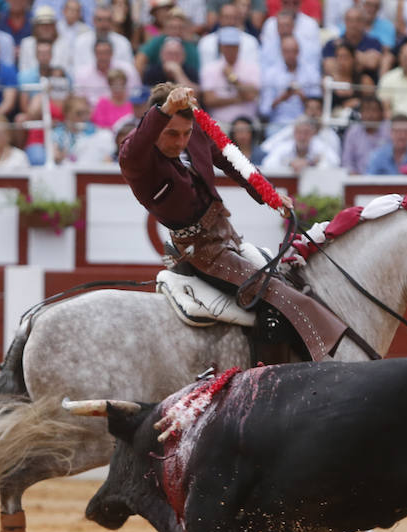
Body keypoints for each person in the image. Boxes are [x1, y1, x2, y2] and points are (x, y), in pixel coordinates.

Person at [117, 82, 347, 366]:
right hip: (201, 253)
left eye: (186, 133)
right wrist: (164, 110)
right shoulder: (136, 157)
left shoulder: (195, 131)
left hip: (228, 238)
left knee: (288, 283)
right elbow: (137, 143)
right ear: (156, 125)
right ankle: (279, 374)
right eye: (172, 134)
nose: (180, 142)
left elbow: (231, 159)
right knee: (276, 297)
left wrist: (270, 195)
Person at [259, 35, 322, 136]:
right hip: (278, 124)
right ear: (281, 52)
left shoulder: (310, 72)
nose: (290, 55)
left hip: (306, 124)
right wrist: (282, 98)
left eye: (293, 51)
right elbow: (264, 110)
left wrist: (302, 96)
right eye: (287, 51)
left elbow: (317, 104)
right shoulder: (271, 74)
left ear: (299, 51)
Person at [199, 26, 260, 124]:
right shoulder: (210, 69)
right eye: (227, 46)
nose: (230, 50)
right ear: (221, 47)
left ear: (239, 47)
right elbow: (209, 100)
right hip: (220, 123)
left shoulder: (252, 68)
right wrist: (239, 99)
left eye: (233, 46)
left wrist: (233, 78)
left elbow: (251, 95)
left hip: (248, 122)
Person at [74, 38, 139, 106]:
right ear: (94, 54)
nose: (103, 57)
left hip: (122, 108)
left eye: (106, 53)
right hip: (91, 110)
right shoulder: (82, 73)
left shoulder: (128, 70)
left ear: (112, 53)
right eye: (100, 53)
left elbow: (136, 93)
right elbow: (78, 98)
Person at [260, 116, 339, 171]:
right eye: (299, 132)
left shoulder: (321, 147)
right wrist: (289, 163)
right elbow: (267, 164)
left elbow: (335, 162)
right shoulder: (283, 147)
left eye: (306, 132)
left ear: (313, 134)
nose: (302, 137)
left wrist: (310, 163)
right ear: (294, 133)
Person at [341, 95, 389, 173]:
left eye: (374, 110)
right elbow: (346, 161)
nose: (370, 115)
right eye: (366, 110)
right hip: (358, 178)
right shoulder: (353, 132)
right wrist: (353, 174)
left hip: (385, 177)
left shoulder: (389, 130)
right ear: (361, 113)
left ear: (381, 113)